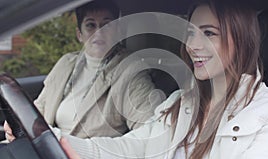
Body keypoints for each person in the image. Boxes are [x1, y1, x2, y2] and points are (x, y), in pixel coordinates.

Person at [57, 0, 268, 159]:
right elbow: (127, 151)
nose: (192, 45)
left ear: (241, 38)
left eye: (209, 33)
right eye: (191, 33)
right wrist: (55, 139)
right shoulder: (180, 102)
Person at [4, 0, 164, 141]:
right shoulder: (66, 62)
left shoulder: (131, 70)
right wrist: (19, 123)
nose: (99, 32)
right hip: (47, 150)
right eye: (90, 25)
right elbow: (40, 107)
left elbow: (148, 131)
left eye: (107, 24)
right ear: (79, 34)